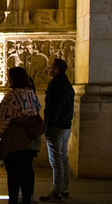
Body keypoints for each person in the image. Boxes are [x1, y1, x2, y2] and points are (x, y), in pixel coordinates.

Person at [0, 67, 42, 204]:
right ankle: (27, 199)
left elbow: (3, 117)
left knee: (13, 172)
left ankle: (13, 200)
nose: (8, 80)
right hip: (30, 138)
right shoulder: (32, 94)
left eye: (9, 77)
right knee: (27, 169)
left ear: (14, 79)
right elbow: (38, 109)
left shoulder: (11, 96)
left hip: (15, 138)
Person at [39, 59, 75, 202]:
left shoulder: (55, 86)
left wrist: (48, 129)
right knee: (63, 158)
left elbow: (53, 110)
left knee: (56, 161)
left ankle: (56, 191)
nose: (48, 69)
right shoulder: (67, 84)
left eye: (51, 67)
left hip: (56, 127)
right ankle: (64, 187)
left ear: (57, 69)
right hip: (66, 126)